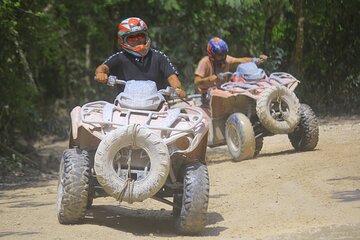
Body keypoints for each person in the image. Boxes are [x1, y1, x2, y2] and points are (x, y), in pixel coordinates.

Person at [95, 17, 186, 98]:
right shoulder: (119, 57)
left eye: (140, 36)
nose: (137, 40)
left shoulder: (158, 56)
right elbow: (103, 67)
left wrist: (178, 89)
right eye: (131, 38)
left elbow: (172, 77)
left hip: (157, 105)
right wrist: (100, 73)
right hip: (125, 104)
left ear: (146, 36)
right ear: (123, 40)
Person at [194, 37, 267, 104]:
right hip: (207, 96)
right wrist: (209, 79)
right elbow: (196, 81)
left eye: (224, 54)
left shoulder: (226, 60)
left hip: (222, 91)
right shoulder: (205, 62)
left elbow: (241, 60)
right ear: (212, 54)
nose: (222, 57)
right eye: (219, 55)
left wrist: (255, 60)